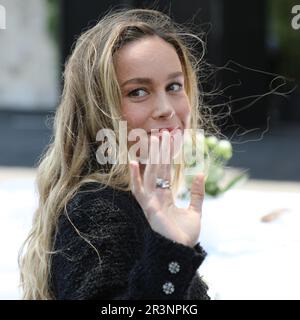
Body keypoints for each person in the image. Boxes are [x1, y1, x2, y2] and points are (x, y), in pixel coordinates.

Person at [19, 8, 212, 300]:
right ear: (99, 109)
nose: (166, 109)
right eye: (138, 92)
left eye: (174, 86)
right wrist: (171, 252)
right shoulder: (97, 206)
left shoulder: (138, 201)